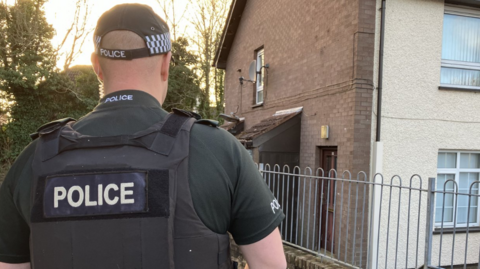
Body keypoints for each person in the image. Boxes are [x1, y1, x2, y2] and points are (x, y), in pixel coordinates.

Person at [0, 4, 286, 269]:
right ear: (166, 63)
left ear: (97, 66)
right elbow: (271, 264)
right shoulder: (219, 150)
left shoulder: (34, 160)